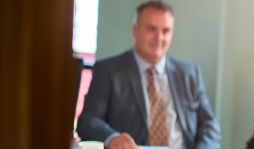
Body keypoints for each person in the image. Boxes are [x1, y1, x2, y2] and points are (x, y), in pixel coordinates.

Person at [76, 1, 221, 149]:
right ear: (134, 30)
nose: (159, 38)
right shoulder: (108, 70)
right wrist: (112, 138)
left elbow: (209, 126)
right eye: (151, 29)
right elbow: (88, 120)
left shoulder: (189, 73)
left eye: (166, 31)